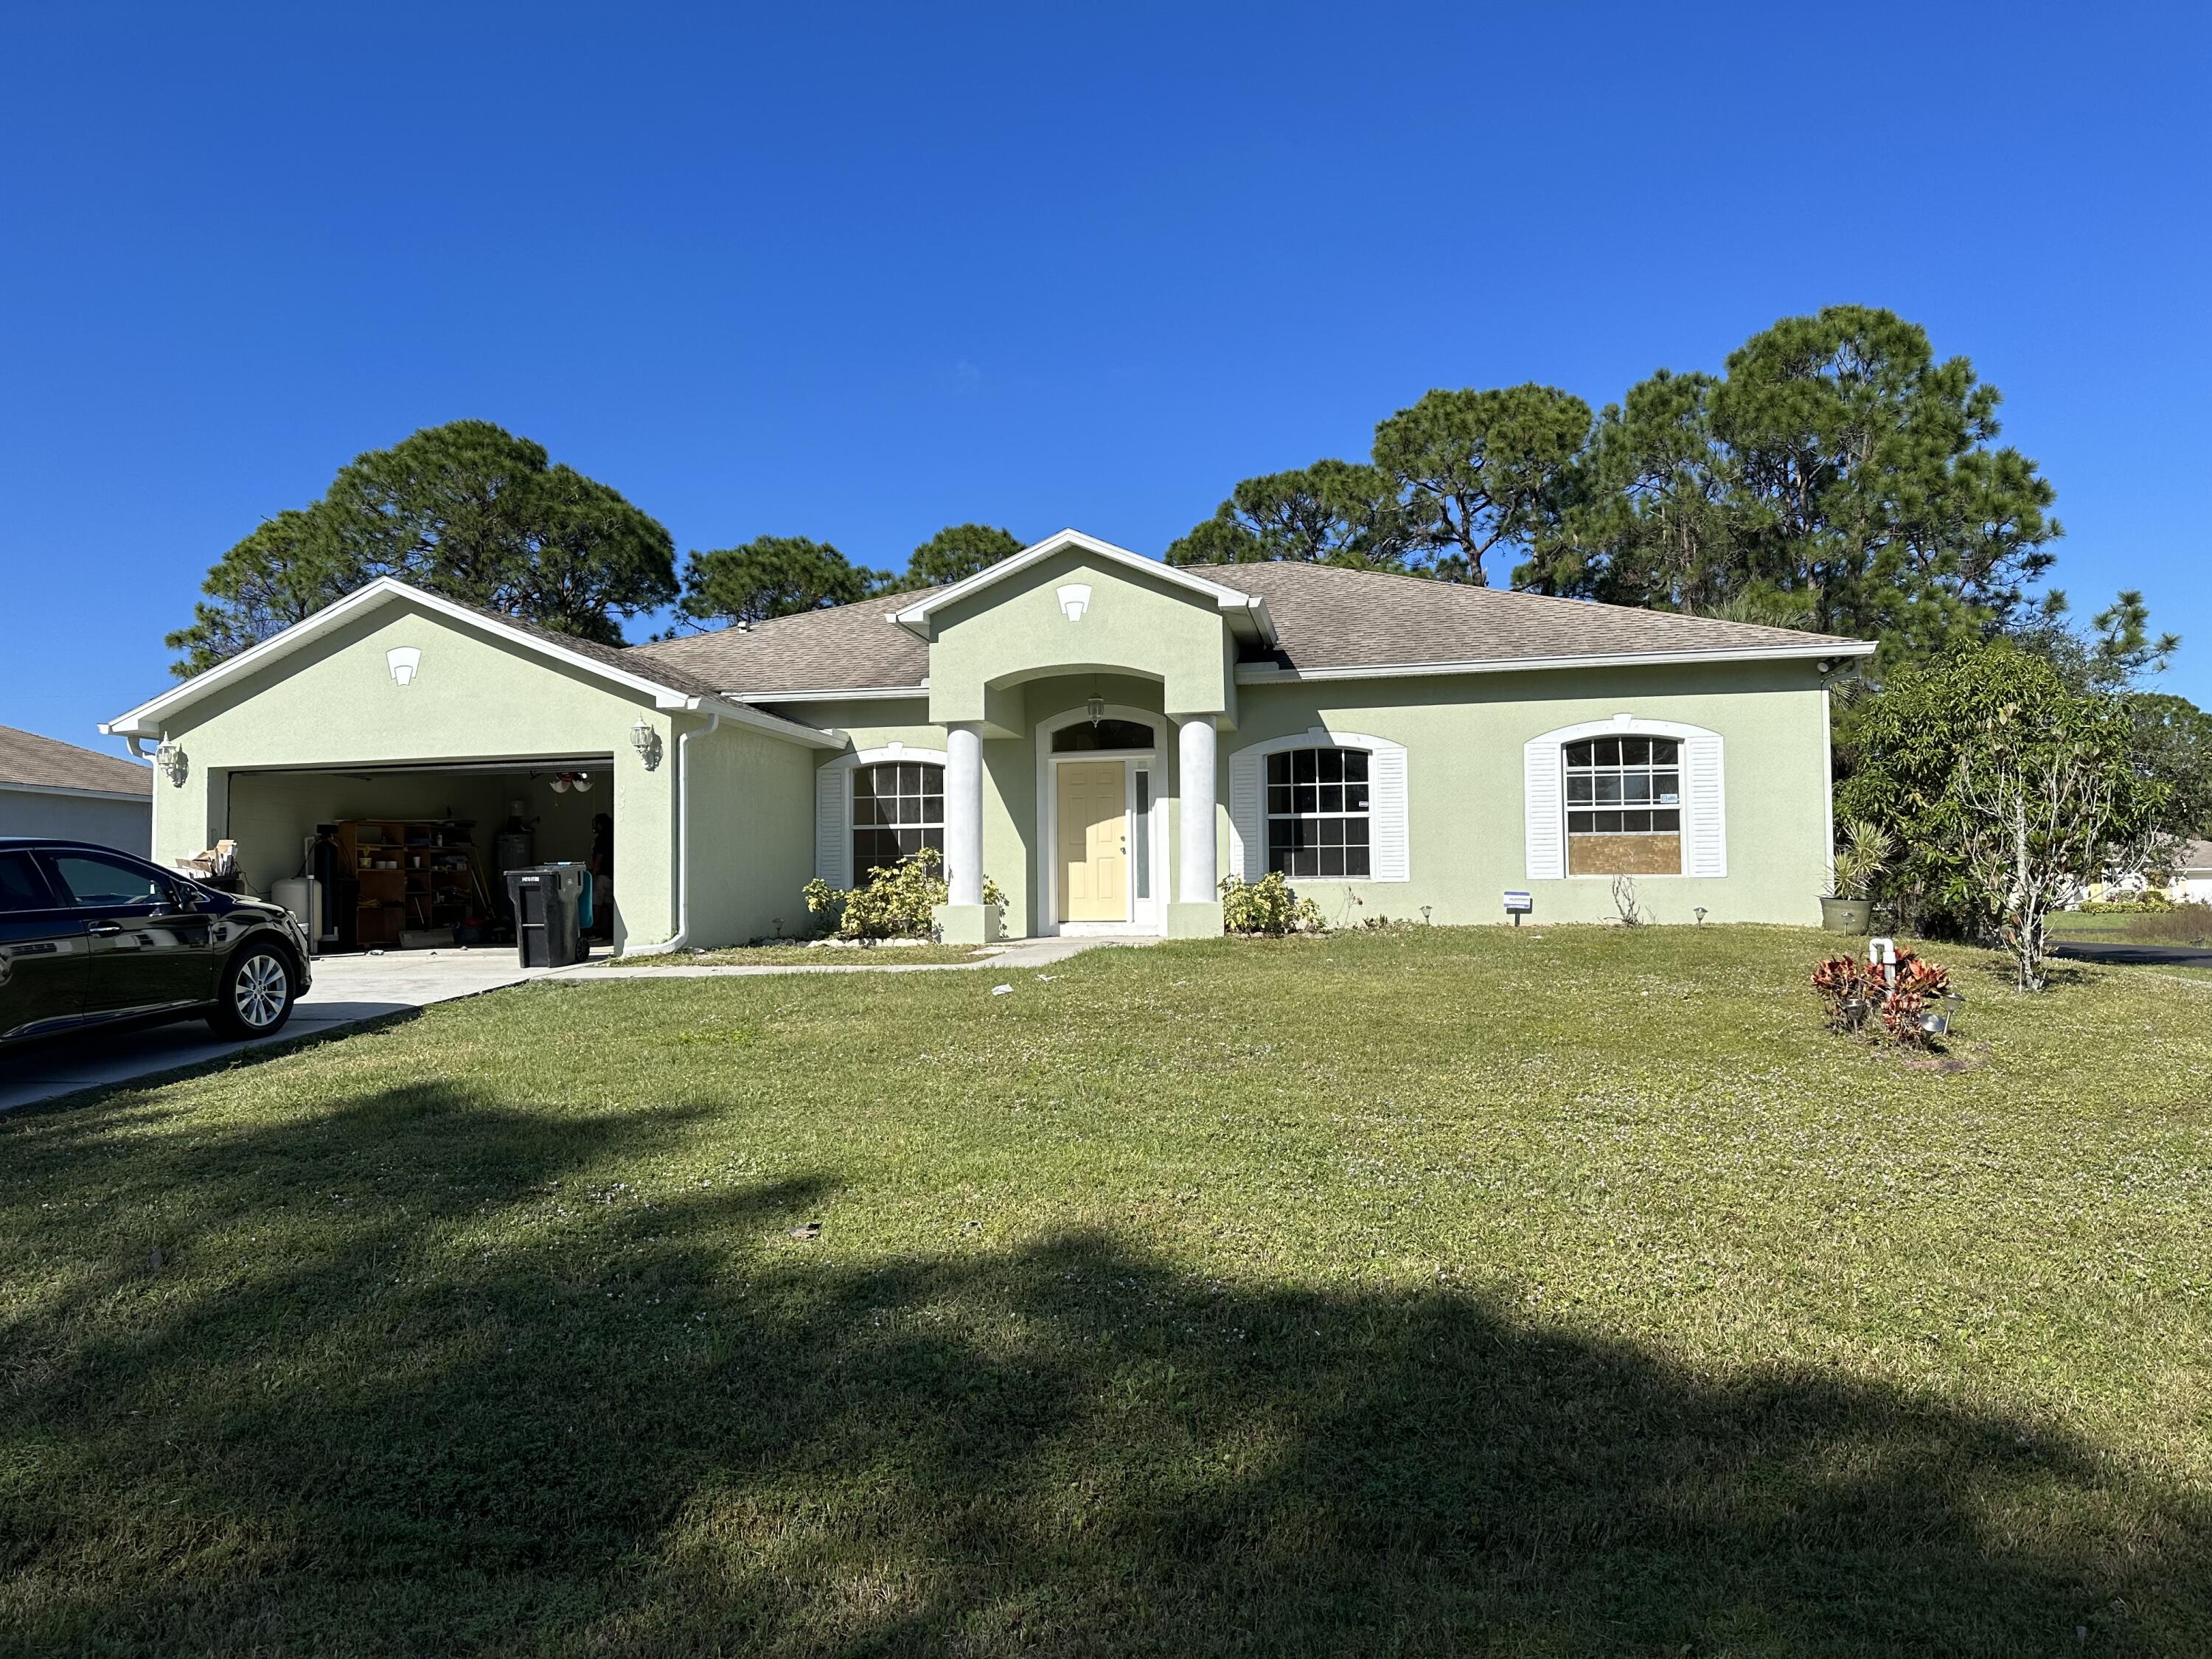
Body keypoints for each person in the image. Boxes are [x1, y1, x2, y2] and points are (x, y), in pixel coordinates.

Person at [587, 813, 613, 940]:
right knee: (609, 904)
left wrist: (593, 874)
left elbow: (599, 859)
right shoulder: (613, 837)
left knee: (596, 904)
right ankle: (612, 930)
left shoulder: (601, 840)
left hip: (601, 876)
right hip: (611, 876)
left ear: (600, 825)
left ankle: (595, 931)